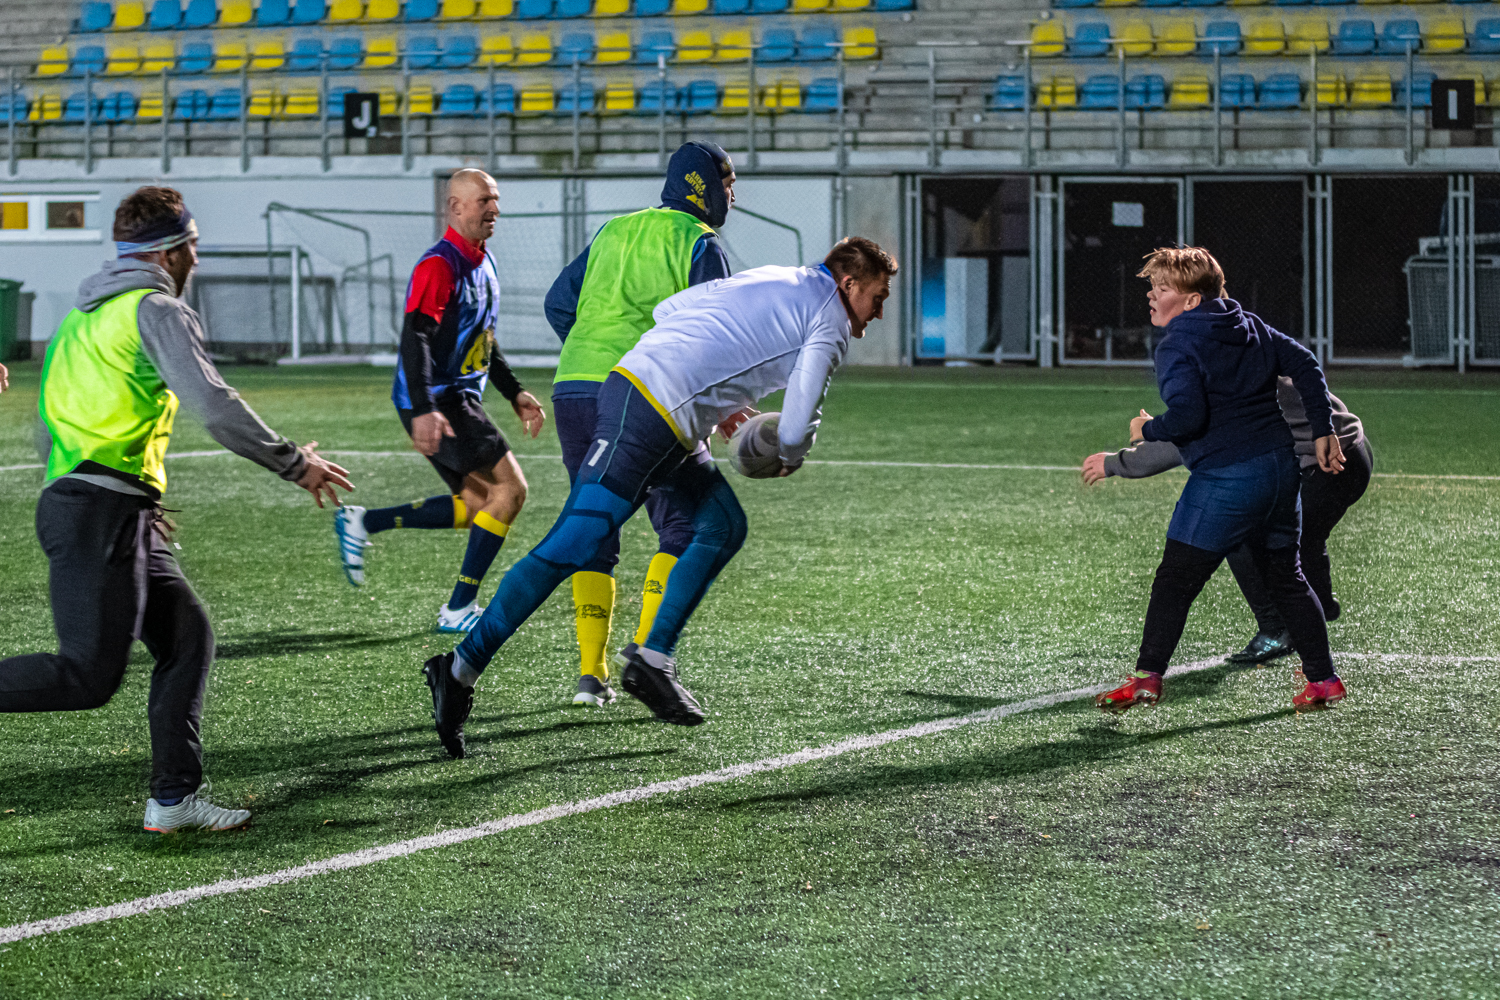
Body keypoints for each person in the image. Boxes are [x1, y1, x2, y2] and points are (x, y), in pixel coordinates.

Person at [419, 237, 897, 758]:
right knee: (575, 542)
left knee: (720, 525)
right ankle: (459, 668)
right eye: (877, 296)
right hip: (651, 408)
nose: (877, 311)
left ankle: (653, 660)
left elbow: (672, 308)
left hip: (660, 403)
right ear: (849, 283)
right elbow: (799, 422)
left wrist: (720, 398)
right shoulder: (828, 319)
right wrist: (787, 452)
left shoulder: (780, 275)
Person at [0, 186, 353, 834]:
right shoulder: (157, 309)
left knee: (188, 638)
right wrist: (293, 463)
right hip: (101, 511)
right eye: (194, 246)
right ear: (173, 250)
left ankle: (173, 798)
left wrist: (130, 494)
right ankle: (172, 796)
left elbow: (48, 427)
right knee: (85, 677)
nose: (197, 258)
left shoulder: (79, 319)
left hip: (99, 505)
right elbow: (215, 407)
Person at [1094, 246, 1349, 716]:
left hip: (1229, 477)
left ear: (1191, 301)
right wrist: (1322, 429)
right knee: (1288, 577)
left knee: (1174, 580)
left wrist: (1144, 429)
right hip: (1280, 470)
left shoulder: (1177, 342)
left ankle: (1147, 676)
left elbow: (1188, 418)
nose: (1152, 296)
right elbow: (1307, 364)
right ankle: (1323, 680)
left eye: (1163, 288)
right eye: (1152, 286)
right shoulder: (1247, 323)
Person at [542, 140, 735, 708]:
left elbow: (560, 303)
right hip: (643, 395)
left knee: (592, 527)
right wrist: (722, 405)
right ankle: (649, 659)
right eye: (726, 182)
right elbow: (711, 334)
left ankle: (589, 677)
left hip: (573, 387)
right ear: (700, 184)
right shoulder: (699, 242)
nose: (732, 194)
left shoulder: (613, 231)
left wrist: (591, 355)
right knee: (687, 525)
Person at [333, 168, 546, 634]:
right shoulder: (439, 265)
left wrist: (515, 393)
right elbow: (416, 338)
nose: (494, 208)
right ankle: (458, 609)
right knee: (510, 492)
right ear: (455, 207)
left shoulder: (483, 261)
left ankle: (364, 522)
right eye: (484, 200)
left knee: (475, 503)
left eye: (496, 199)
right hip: (440, 399)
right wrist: (426, 409)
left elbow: (483, 340)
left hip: (451, 398)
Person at [1083, 378, 1372, 664]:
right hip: (1353, 449)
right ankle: (1319, 608)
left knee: (1240, 530)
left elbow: (1197, 438)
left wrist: (1118, 460)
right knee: (1305, 533)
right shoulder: (1244, 339)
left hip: (1324, 463)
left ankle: (1277, 629)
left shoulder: (1212, 358)